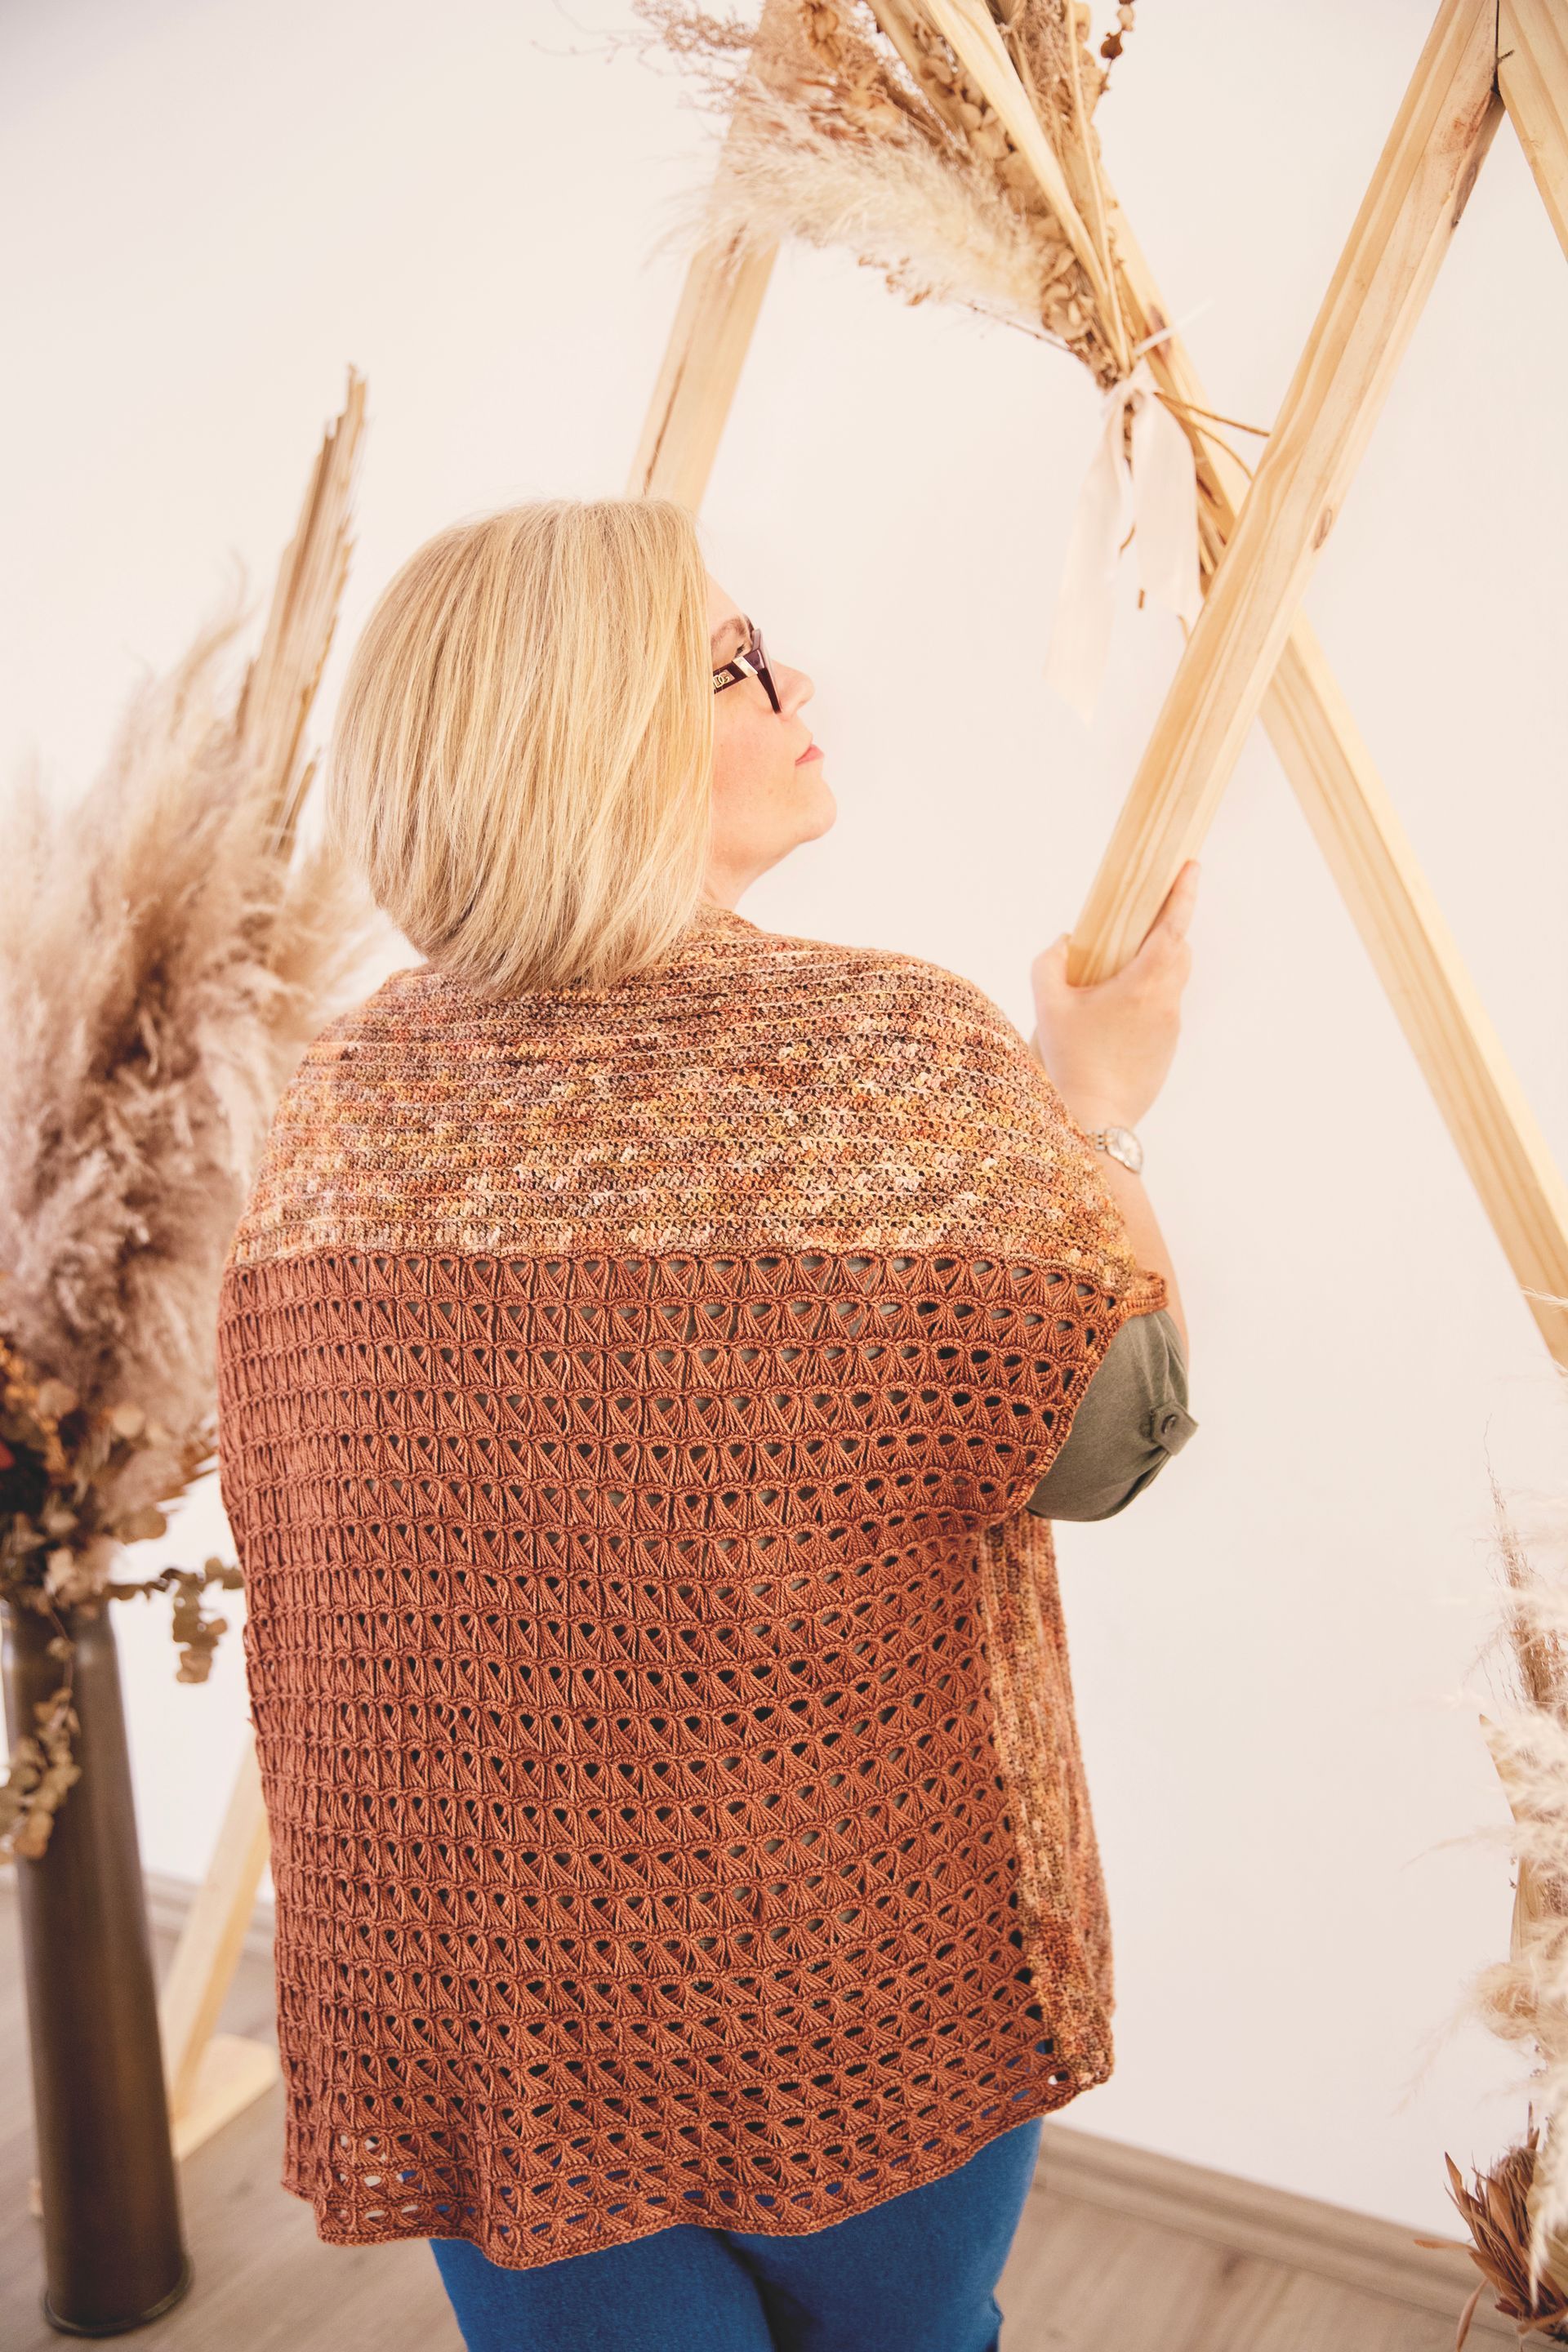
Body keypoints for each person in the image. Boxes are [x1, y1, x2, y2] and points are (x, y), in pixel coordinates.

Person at [214, 497, 1199, 2352]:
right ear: (594, 737)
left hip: (478, 2003)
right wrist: (1101, 1109)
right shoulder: (893, 1055)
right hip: (854, 1975)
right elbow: (1117, 1434)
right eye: (739, 662)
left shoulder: (334, 1099)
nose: (794, 680)